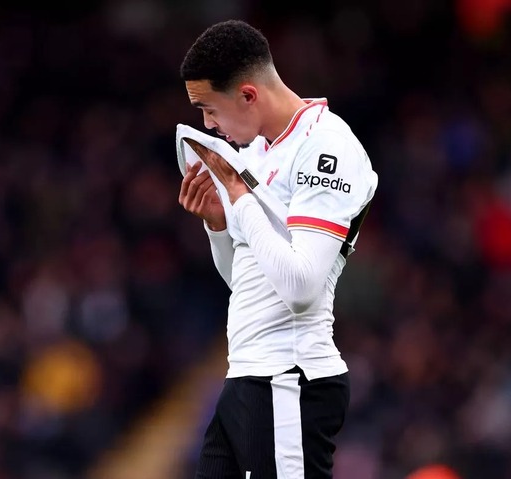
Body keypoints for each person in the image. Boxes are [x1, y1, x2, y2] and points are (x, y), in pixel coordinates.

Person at [177, 20, 378, 479]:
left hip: (289, 380)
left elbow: (302, 286)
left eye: (209, 109)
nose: (207, 124)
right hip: (247, 373)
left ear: (247, 95)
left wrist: (240, 196)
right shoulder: (257, 151)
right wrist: (218, 225)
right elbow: (243, 281)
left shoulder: (326, 147)